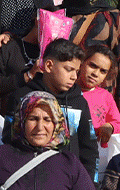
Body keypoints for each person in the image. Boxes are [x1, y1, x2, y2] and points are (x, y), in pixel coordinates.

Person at [10, 39, 99, 178]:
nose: (74, 77)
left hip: (69, 181)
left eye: (77, 71)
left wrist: (92, 187)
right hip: (28, 178)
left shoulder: (80, 103)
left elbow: (90, 148)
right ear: (49, 65)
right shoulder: (22, 97)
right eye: (68, 69)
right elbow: (9, 140)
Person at [79, 45, 120, 148]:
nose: (95, 73)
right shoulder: (67, 91)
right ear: (82, 62)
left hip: (98, 153)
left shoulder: (105, 96)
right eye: (93, 66)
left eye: (103, 71)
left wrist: (110, 126)